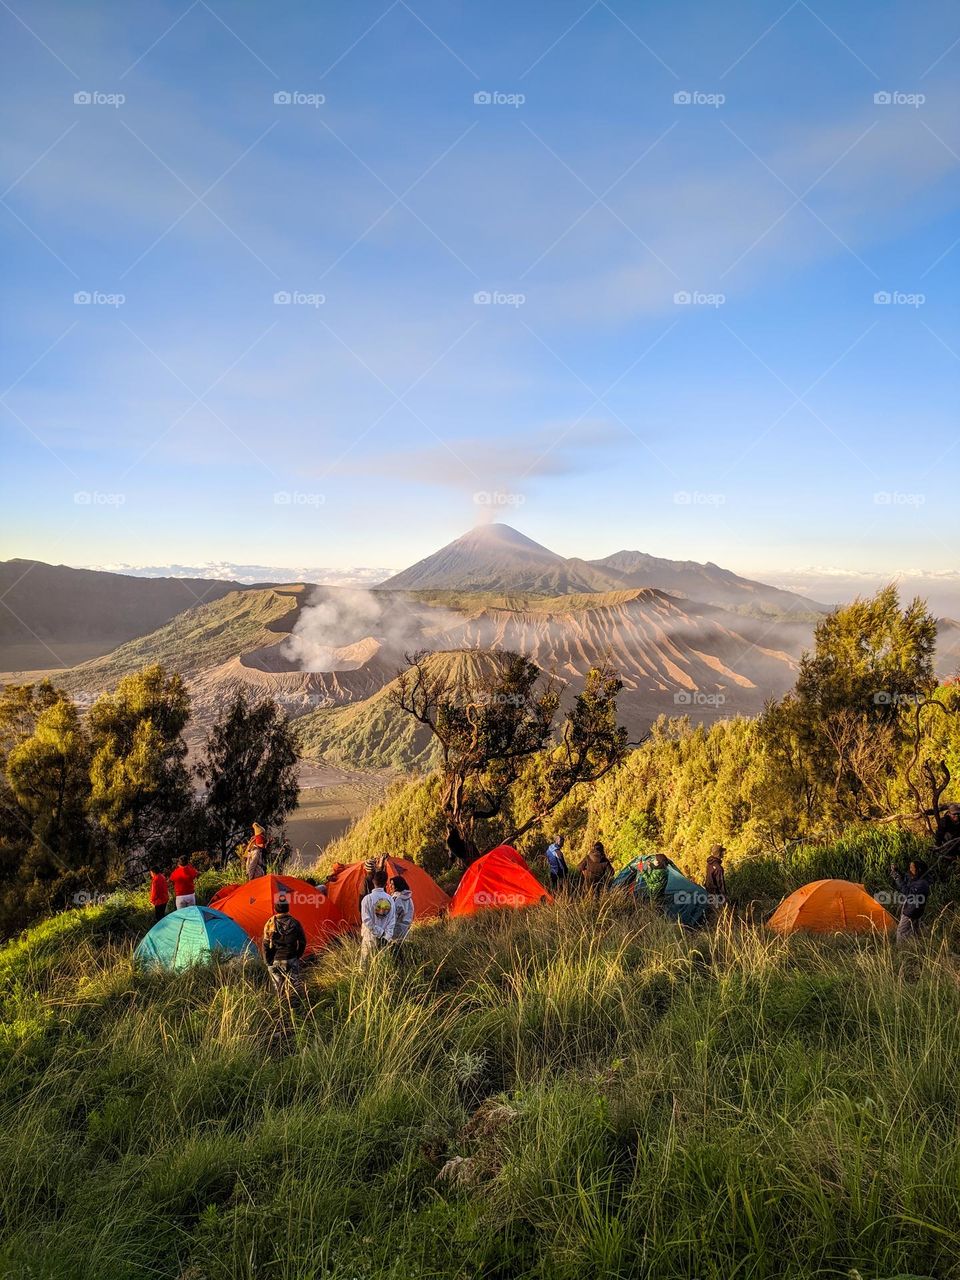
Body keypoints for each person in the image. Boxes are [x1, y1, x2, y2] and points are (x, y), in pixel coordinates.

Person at [262, 896, 307, 1000]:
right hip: (291, 958)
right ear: (288, 908)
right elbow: (302, 942)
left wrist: (268, 962)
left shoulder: (269, 924)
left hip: (275, 960)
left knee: (278, 991)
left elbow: (265, 945)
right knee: (295, 988)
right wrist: (297, 955)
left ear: (275, 909)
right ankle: (297, 1008)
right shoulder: (295, 923)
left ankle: (281, 1011)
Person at [890, 858, 930, 943]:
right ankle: (915, 949)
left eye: (912, 868)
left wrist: (897, 877)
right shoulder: (916, 878)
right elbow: (905, 877)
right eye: (910, 867)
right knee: (914, 931)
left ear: (918, 870)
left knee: (901, 931)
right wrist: (897, 871)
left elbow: (908, 892)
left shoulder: (922, 883)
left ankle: (901, 952)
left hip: (911, 911)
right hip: (913, 910)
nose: (910, 870)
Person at [360, 868, 396, 964]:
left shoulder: (366, 899)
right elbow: (392, 920)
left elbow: (366, 920)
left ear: (373, 881)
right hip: (384, 939)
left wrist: (379, 932)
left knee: (364, 964)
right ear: (386, 884)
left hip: (369, 937)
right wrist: (386, 935)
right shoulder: (390, 900)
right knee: (381, 964)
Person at [390, 873, 416, 944]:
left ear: (397, 886)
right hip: (406, 929)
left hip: (396, 930)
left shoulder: (396, 899)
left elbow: (392, 915)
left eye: (392, 884)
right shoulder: (409, 898)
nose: (390, 886)